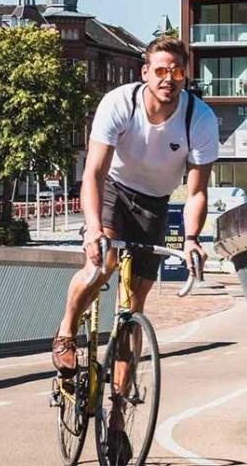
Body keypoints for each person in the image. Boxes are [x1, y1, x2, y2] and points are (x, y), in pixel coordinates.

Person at [51, 36, 218, 458]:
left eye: (176, 71)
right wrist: (93, 229)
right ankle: (67, 330)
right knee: (102, 261)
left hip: (155, 204)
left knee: (134, 308)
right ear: (145, 72)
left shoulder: (198, 118)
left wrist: (194, 238)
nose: (168, 79)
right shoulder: (119, 104)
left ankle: (118, 418)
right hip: (113, 190)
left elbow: (197, 192)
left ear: (184, 75)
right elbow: (92, 173)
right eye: (159, 70)